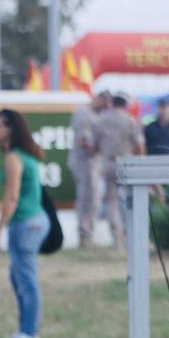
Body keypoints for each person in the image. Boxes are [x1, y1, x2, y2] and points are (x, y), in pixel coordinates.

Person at [0, 110, 49, 338]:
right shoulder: (26, 154)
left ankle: (30, 333)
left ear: (11, 129)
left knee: (26, 279)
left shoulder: (14, 157)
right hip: (34, 219)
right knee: (19, 277)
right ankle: (26, 329)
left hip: (25, 222)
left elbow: (12, 197)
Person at [94, 94, 144, 250]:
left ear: (112, 104)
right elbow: (139, 144)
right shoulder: (130, 120)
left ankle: (117, 238)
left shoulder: (101, 120)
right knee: (132, 199)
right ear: (125, 105)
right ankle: (133, 235)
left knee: (112, 201)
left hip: (108, 162)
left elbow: (95, 146)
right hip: (126, 162)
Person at [69, 92, 108, 246]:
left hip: (93, 163)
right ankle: (84, 233)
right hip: (84, 162)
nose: (106, 107)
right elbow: (84, 141)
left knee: (94, 198)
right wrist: (101, 148)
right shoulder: (84, 113)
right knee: (88, 198)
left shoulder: (97, 115)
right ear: (98, 99)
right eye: (104, 102)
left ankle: (88, 232)